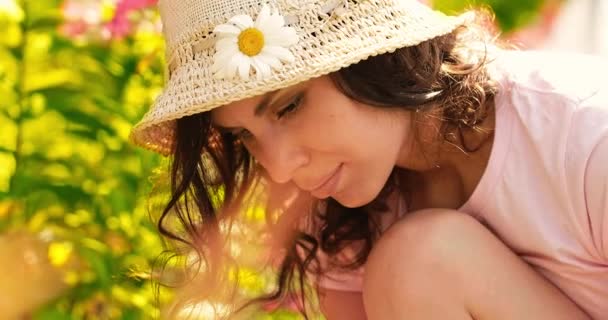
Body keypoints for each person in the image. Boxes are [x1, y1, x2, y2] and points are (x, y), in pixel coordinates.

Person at [130, 0, 608, 319]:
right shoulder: (340, 209)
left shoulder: (587, 135)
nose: (278, 167)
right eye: (244, 137)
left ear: (375, 58)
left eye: (290, 105)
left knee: (420, 257)